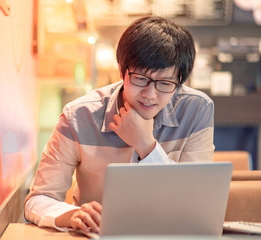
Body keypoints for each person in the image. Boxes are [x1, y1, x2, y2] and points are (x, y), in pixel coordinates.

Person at [24, 16, 214, 235]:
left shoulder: (196, 110)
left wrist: (146, 145)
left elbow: (196, 203)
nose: (150, 95)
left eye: (164, 83)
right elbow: (38, 199)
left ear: (179, 82)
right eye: (140, 78)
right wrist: (71, 215)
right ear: (122, 71)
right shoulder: (79, 116)